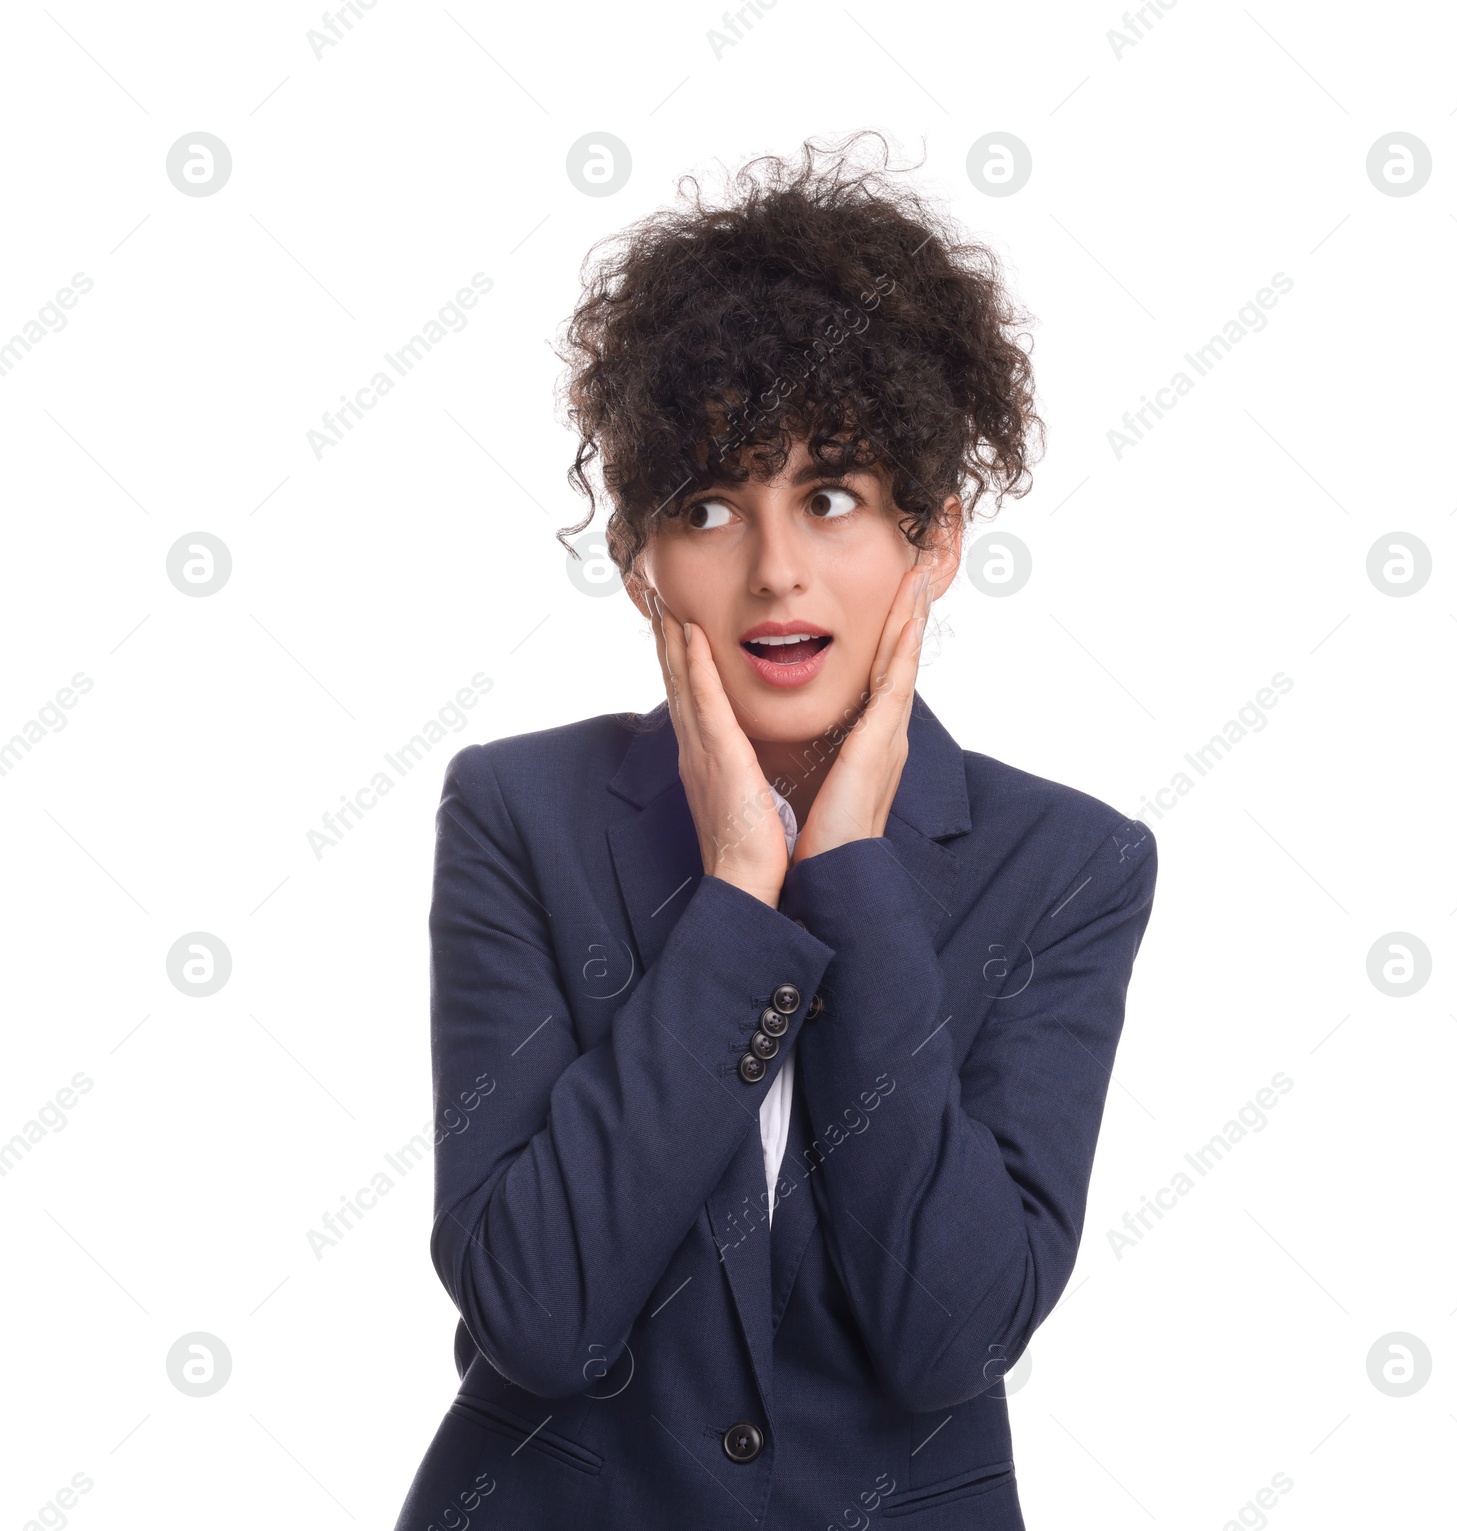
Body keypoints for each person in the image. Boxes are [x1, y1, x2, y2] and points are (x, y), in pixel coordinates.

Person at [392, 135, 1157, 1530]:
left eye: (833, 497)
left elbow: (952, 1338)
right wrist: (740, 894)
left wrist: (850, 874)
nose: (777, 569)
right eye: (707, 507)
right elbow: (540, 1317)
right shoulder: (517, 816)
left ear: (933, 540)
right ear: (639, 565)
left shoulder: (1070, 867)